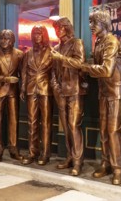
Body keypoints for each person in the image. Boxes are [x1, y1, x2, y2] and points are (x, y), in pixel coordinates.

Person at [80, 11, 121, 185]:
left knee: (113, 130)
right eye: (90, 22)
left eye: (94, 22)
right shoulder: (99, 42)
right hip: (103, 90)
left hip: (116, 90)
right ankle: (106, 162)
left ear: (104, 23)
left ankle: (118, 168)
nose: (91, 26)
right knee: (103, 129)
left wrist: (85, 67)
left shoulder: (111, 41)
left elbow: (107, 70)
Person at [50, 17, 87, 176]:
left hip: (74, 90)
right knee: (65, 127)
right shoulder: (56, 47)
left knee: (74, 126)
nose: (57, 31)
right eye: (56, 28)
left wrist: (61, 58)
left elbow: (80, 63)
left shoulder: (76, 43)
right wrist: (55, 86)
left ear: (66, 28)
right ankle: (70, 157)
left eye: (60, 28)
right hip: (60, 92)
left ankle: (78, 161)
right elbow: (53, 71)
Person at [0, 29, 24, 162]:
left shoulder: (19, 54)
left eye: (7, 38)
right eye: (1, 38)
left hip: (13, 92)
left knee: (14, 121)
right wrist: (6, 79)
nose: (3, 41)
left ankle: (14, 149)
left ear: (13, 40)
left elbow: (23, 74)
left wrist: (23, 88)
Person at [20, 25, 53, 166]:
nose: (36, 36)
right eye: (34, 34)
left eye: (39, 33)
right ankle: (33, 152)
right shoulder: (28, 53)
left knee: (46, 122)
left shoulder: (52, 52)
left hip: (46, 89)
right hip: (31, 89)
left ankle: (46, 153)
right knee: (32, 122)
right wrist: (22, 88)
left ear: (44, 35)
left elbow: (54, 74)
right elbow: (24, 72)